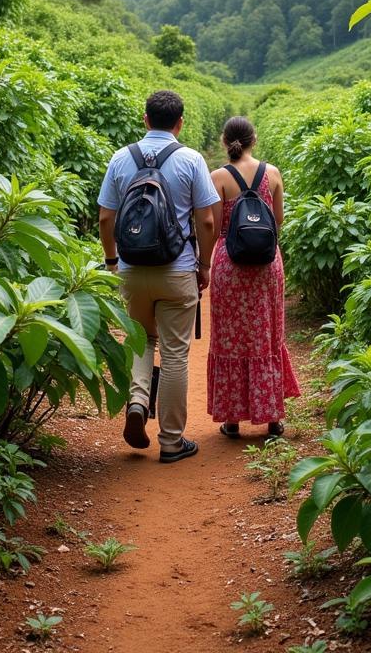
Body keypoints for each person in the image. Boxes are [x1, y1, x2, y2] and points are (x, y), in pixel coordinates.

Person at [97, 90, 220, 464]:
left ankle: (136, 402)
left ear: (145, 119)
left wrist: (113, 262)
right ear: (180, 123)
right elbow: (208, 219)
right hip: (177, 270)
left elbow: (105, 218)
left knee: (141, 340)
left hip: (133, 270)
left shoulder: (121, 158)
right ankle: (170, 441)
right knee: (176, 353)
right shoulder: (191, 159)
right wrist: (205, 265)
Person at [207, 116, 300, 437]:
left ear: (224, 141)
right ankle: (272, 418)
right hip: (266, 264)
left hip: (229, 265)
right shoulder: (272, 173)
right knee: (267, 334)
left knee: (229, 336)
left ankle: (231, 420)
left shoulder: (218, 177)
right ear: (254, 140)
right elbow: (278, 221)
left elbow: (218, 228)